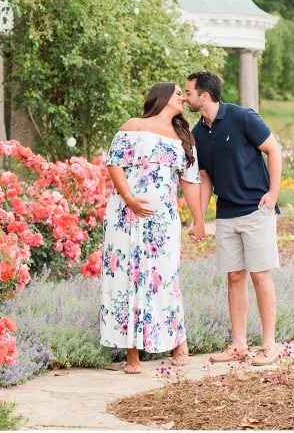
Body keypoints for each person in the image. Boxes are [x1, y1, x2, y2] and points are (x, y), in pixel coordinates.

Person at [100, 82, 206, 374]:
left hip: (163, 220)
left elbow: (190, 181)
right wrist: (130, 199)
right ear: (161, 98)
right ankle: (131, 354)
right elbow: (114, 164)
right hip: (125, 214)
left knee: (165, 277)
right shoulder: (134, 125)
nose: (183, 98)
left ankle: (178, 341)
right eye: (177, 94)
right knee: (127, 277)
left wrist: (198, 220)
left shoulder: (184, 137)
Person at [185, 70, 283, 366]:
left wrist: (274, 193)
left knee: (260, 275)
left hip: (256, 210)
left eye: (189, 92)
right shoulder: (198, 133)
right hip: (226, 214)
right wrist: (199, 218)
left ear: (204, 96)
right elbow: (204, 178)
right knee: (234, 277)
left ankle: (269, 347)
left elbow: (273, 149)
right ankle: (239, 345)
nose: (186, 97)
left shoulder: (243, 117)